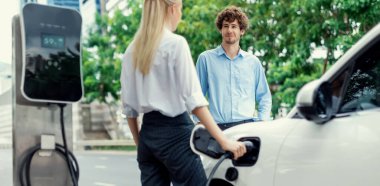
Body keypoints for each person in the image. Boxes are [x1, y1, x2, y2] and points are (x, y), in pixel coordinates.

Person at [120, 0, 247, 185]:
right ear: (173, 9)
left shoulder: (131, 51)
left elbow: (129, 109)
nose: (180, 15)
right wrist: (224, 141)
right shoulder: (175, 44)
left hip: (147, 135)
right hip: (176, 134)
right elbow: (194, 101)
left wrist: (141, 145)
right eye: (181, 9)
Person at [195, 6, 272, 130]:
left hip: (248, 128)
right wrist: (198, 121)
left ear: (242, 30)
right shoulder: (206, 59)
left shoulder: (253, 62)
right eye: (225, 26)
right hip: (218, 129)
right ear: (220, 29)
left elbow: (264, 97)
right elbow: (197, 95)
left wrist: (262, 121)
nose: (229, 30)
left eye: (234, 26)